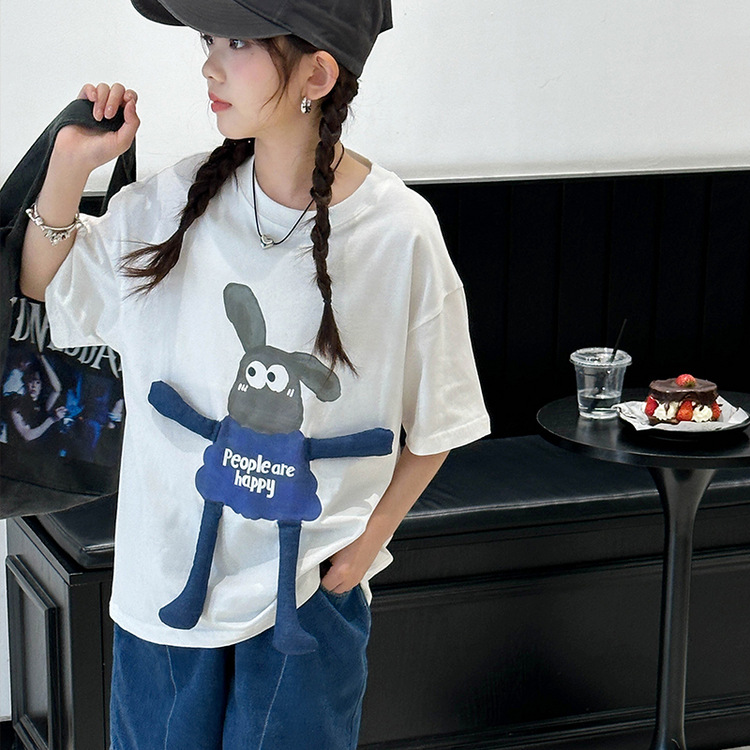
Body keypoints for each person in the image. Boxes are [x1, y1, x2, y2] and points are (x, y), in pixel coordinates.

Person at [20, 1, 490, 747]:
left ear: (317, 74)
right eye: (209, 38)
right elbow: (46, 288)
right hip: (167, 584)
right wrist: (69, 167)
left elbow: (443, 419)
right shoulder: (170, 205)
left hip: (305, 594)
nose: (209, 63)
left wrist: (365, 548)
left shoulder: (399, 232)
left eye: (236, 40)